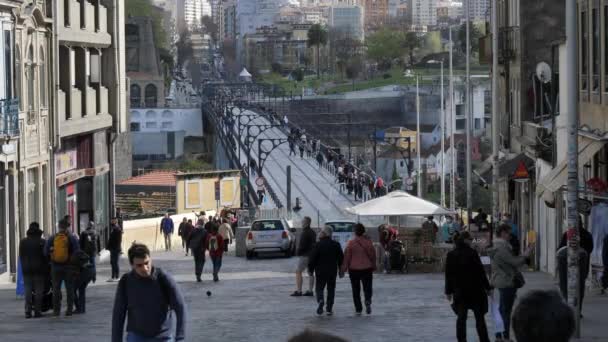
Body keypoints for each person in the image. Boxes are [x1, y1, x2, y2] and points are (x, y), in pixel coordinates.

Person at [112, 243, 186, 342]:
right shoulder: (126, 282)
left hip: (163, 337)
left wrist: (180, 338)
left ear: (150, 259)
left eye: (147, 263)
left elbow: (180, 307)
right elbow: (118, 314)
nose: (145, 268)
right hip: (136, 336)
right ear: (132, 265)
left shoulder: (163, 279)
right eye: (139, 265)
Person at [488, 224, 533, 341]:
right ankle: (506, 337)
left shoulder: (495, 246)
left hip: (497, 281)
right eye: (508, 233)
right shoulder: (502, 248)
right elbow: (514, 262)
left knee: (499, 311)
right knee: (505, 311)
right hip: (506, 282)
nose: (510, 236)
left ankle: (499, 337)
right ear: (502, 233)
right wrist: (526, 255)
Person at [445, 232, 492, 342]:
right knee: (479, 318)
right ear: (465, 240)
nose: (471, 242)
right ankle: (484, 340)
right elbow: (480, 272)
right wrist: (488, 288)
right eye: (470, 240)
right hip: (475, 291)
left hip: (460, 292)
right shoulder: (472, 253)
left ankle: (461, 340)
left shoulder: (451, 254)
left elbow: (448, 275)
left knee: (461, 318)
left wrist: (448, 291)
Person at [44, 219, 80, 316]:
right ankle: (69, 310)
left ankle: (56, 311)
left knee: (56, 289)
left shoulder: (52, 238)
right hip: (68, 267)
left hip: (55, 267)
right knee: (70, 288)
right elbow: (77, 252)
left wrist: (52, 254)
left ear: (58, 227)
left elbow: (45, 252)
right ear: (67, 227)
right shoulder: (72, 238)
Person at [308, 226, 344, 316]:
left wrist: (310, 269)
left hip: (320, 271)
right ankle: (329, 308)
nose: (319, 233)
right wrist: (341, 270)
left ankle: (320, 300)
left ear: (324, 233)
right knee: (331, 289)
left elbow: (312, 259)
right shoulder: (336, 244)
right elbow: (341, 259)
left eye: (321, 232)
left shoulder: (318, 245)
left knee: (319, 288)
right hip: (332, 271)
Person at [341, 223, 376, 315]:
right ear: (363, 231)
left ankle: (358, 308)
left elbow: (347, 257)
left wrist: (343, 270)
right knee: (367, 287)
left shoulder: (351, 243)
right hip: (367, 268)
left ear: (354, 232)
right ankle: (367, 300)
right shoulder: (368, 242)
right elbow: (373, 255)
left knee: (355, 289)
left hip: (354, 269)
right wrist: (374, 265)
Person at [19, 222, 48, 318]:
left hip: (27, 269)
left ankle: (27, 311)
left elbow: (21, 256)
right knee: (39, 291)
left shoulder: (23, 242)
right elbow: (46, 256)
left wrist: (23, 267)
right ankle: (37, 311)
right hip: (39, 270)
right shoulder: (42, 242)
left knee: (27, 290)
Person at [292, 217, 316, 297]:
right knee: (310, 272)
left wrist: (297, 252)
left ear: (306, 223)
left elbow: (302, 245)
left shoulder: (304, 232)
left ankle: (299, 291)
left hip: (305, 255)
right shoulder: (313, 232)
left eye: (302, 222)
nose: (301, 223)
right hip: (312, 255)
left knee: (298, 271)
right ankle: (310, 290)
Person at [71, 248, 94, 314]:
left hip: (83, 274)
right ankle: (82, 309)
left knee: (73, 290)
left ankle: (79, 308)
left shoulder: (73, 254)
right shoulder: (81, 252)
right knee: (82, 290)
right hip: (89, 273)